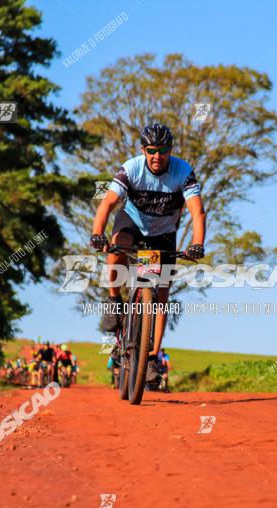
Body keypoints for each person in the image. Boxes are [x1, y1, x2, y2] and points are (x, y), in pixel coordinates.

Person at [89, 123, 207, 357]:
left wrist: (197, 244)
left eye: (163, 150)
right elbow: (108, 203)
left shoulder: (182, 171)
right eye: (152, 150)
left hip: (162, 232)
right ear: (143, 150)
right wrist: (97, 233)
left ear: (170, 150)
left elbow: (197, 211)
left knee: (161, 293)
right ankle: (114, 302)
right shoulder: (131, 168)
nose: (157, 156)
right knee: (117, 244)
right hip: (133, 222)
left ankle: (151, 357)